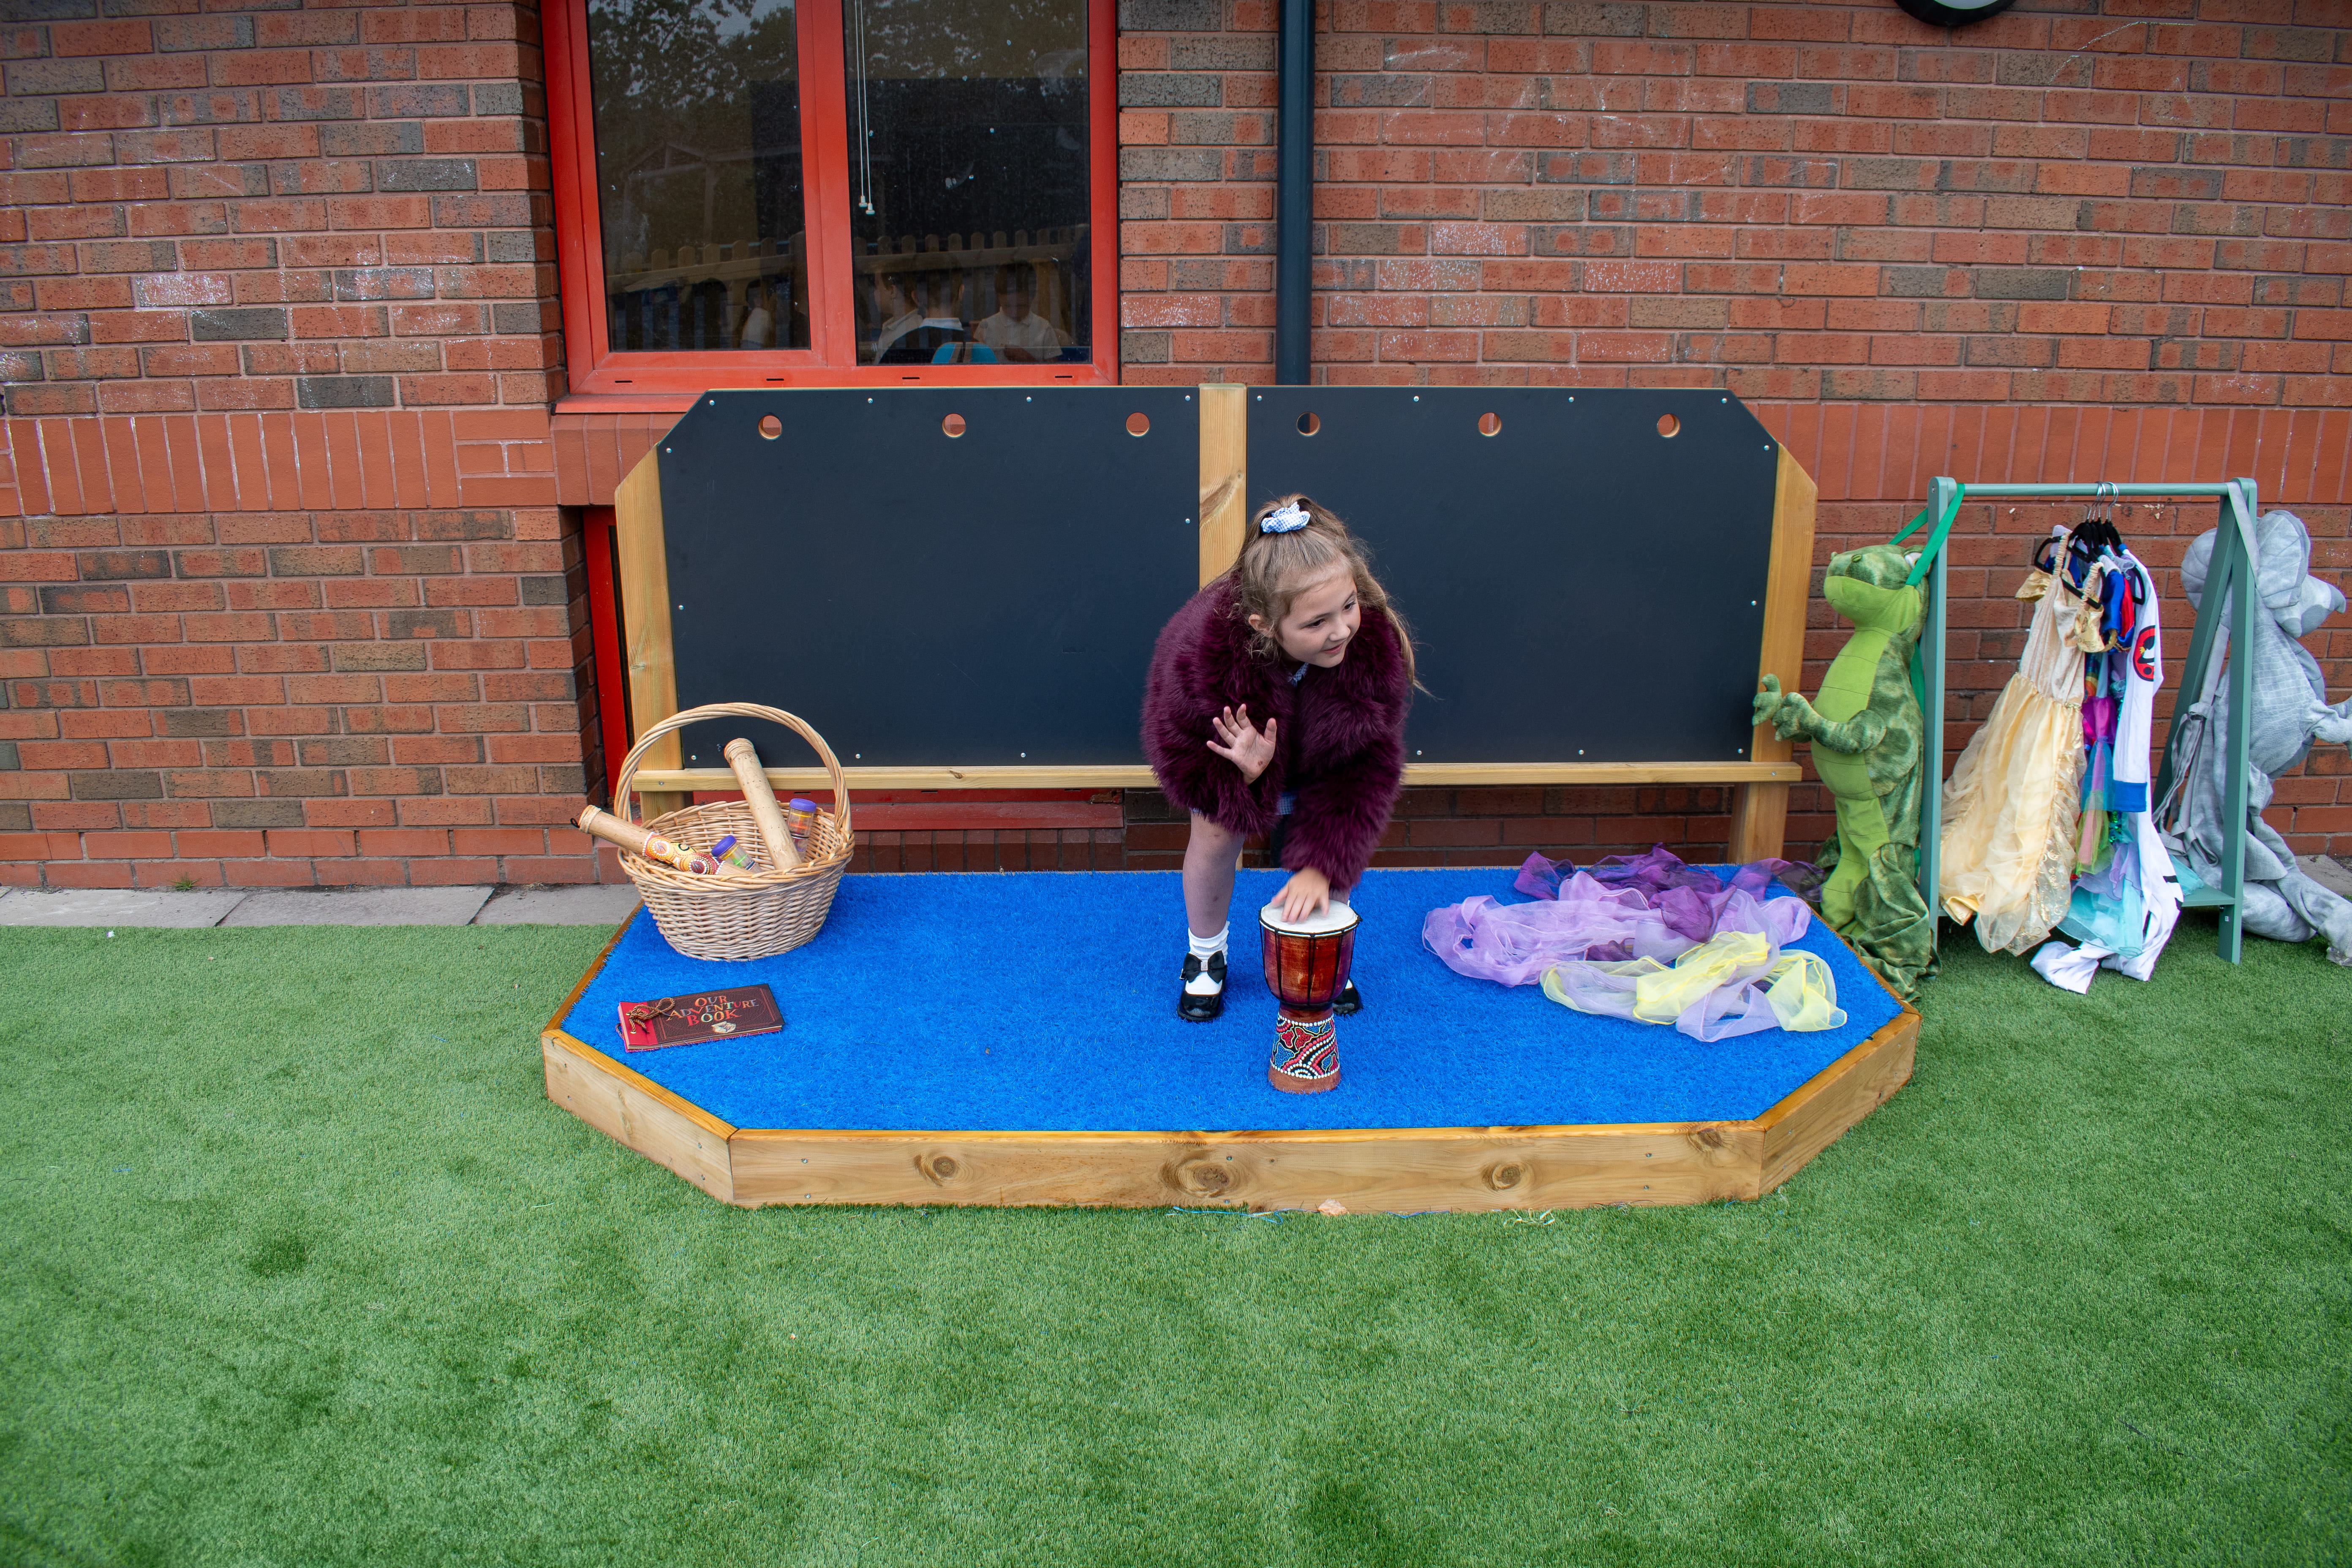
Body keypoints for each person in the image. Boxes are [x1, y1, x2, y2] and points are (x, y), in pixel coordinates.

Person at [1141, 494, 1415, 1022]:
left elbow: (1360, 778)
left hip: (1320, 754)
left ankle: (1326, 947)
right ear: (1264, 624)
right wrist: (1243, 774)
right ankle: (1205, 954)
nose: (1341, 630)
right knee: (1215, 839)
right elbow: (1185, 759)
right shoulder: (1201, 659)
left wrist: (1321, 867)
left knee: (1333, 837)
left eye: (1349, 606)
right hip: (1228, 756)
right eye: (1316, 623)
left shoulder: (1369, 649)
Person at [973, 268, 1068, 363]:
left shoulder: (1044, 328)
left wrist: (1028, 359)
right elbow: (974, 366)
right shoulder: (986, 327)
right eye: (1007, 306)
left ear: (1032, 298)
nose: (1014, 312)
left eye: (1020, 306)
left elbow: (1053, 369)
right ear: (999, 297)